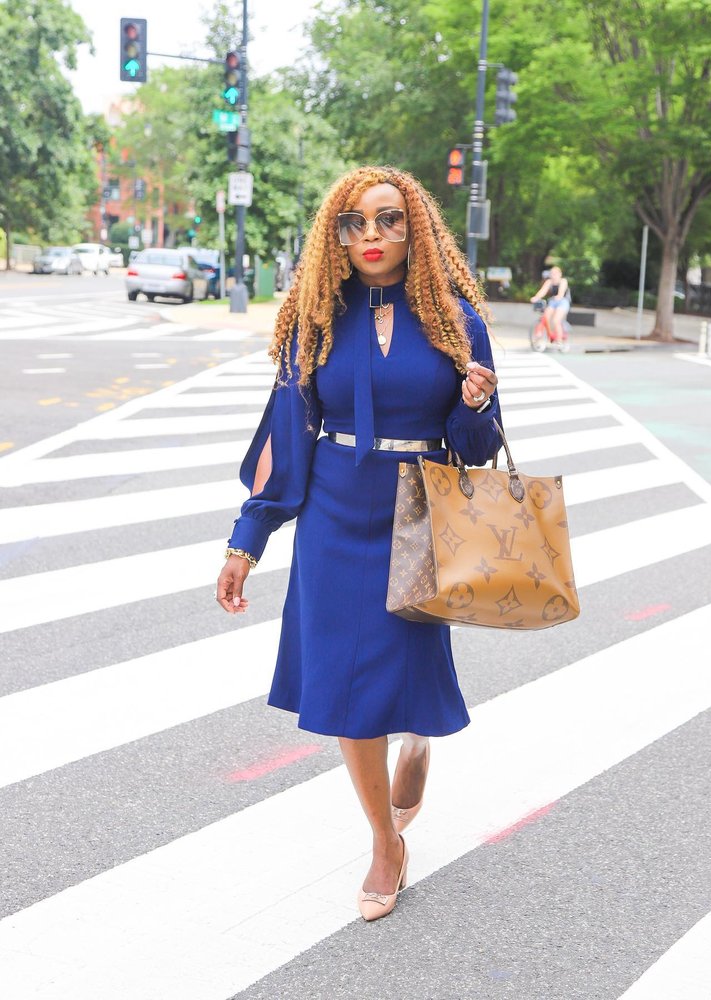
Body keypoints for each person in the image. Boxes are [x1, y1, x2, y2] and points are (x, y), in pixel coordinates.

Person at [216, 166, 501, 922]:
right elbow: (287, 434)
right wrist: (248, 538)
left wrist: (477, 403)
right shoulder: (315, 317)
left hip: (418, 513)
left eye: (388, 220)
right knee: (344, 690)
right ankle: (385, 841)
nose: (371, 236)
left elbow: (475, 447)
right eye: (355, 223)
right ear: (335, 235)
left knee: (400, 670)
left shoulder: (453, 318)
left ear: (416, 228)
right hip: (335, 517)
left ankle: (418, 741)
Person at [530, 265, 571, 348]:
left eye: (555, 273)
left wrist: (559, 296)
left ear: (560, 274)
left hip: (563, 302)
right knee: (545, 317)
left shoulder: (563, 281)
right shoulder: (549, 282)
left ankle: (559, 340)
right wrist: (536, 297)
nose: (553, 275)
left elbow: (561, 293)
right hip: (553, 301)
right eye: (552, 273)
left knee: (556, 320)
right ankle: (540, 335)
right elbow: (543, 291)